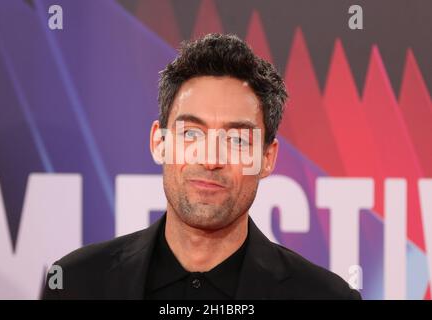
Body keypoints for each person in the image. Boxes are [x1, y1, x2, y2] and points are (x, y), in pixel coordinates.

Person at [42, 33, 361, 300]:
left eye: (237, 140)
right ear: (159, 142)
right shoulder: (75, 284)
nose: (210, 159)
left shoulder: (325, 297)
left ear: (267, 158)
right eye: (191, 133)